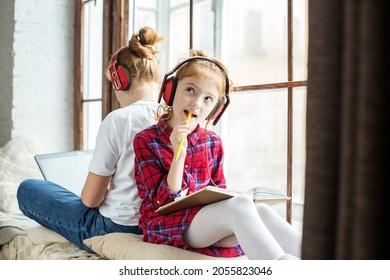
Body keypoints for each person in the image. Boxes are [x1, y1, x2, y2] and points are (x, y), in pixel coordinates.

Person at [133, 50, 302, 259]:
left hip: (206, 223)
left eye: (207, 99)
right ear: (170, 90)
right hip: (166, 223)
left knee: (262, 211)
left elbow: (220, 192)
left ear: (216, 108)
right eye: (190, 90)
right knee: (240, 206)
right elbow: (161, 203)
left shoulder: (212, 142)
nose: (197, 103)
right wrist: (179, 153)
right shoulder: (146, 139)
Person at [17, 26, 164, 253]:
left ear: (119, 80)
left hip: (114, 227)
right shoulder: (173, 119)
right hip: (159, 225)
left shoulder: (118, 120)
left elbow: (90, 201)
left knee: (28, 188)